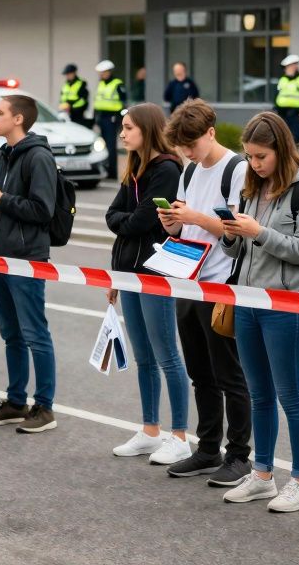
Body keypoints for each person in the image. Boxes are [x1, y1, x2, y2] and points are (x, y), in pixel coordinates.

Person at [218, 112, 299, 513]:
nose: (254, 163)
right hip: (247, 301)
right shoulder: (251, 186)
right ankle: (262, 475)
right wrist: (231, 234)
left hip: (287, 304)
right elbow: (238, 251)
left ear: (281, 150)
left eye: (261, 156)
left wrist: (259, 233)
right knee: (259, 393)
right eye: (249, 156)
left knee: (291, 395)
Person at [158, 99, 252, 485]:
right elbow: (185, 227)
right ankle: (208, 448)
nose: (187, 153)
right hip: (189, 278)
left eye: (192, 145)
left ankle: (239, 455)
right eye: (182, 148)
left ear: (211, 133)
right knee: (200, 372)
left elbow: (235, 230)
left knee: (230, 373)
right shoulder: (190, 169)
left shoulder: (236, 168)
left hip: (221, 282)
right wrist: (172, 223)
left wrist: (194, 217)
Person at [104, 103, 190, 464]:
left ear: (147, 129)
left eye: (128, 128)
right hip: (129, 273)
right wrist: (115, 274)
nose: (122, 134)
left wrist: (125, 222)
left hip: (155, 275)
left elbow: (140, 222)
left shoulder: (166, 169)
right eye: (122, 128)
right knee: (144, 357)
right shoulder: (135, 168)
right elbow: (112, 215)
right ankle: (150, 430)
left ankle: (180, 436)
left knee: (167, 354)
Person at [0, 94, 59, 433]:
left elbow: (42, 210)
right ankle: (15, 401)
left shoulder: (38, 157)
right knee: (11, 334)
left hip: (25, 260)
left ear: (18, 119)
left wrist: (1, 199)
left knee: (35, 333)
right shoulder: (3, 155)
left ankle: (45, 407)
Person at [94, 59, 125, 179]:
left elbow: (123, 101)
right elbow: (98, 101)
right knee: (102, 145)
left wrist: (120, 118)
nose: (101, 74)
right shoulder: (101, 84)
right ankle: (105, 170)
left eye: (103, 72)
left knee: (111, 146)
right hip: (102, 117)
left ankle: (112, 173)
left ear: (109, 72)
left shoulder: (117, 84)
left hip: (112, 118)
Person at [273, 54, 299, 145]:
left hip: (297, 115)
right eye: (287, 67)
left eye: (293, 65)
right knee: (282, 140)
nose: (289, 69)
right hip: (283, 115)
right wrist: (276, 110)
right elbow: (276, 96)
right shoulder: (282, 80)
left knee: (296, 140)